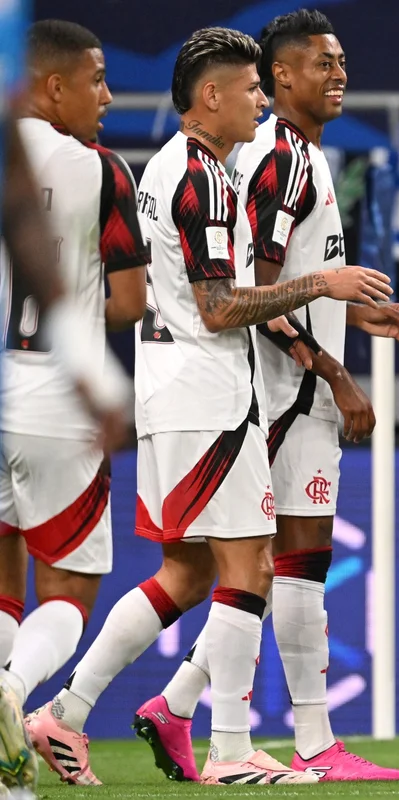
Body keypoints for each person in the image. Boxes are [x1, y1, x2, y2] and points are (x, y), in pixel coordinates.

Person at [26, 27, 392, 786]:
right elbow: (221, 307)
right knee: (251, 565)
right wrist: (323, 287)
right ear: (211, 96)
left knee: (188, 573)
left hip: (175, 389)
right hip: (209, 395)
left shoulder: (176, 167)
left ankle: (66, 713)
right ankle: (231, 750)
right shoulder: (203, 177)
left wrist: (338, 304)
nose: (261, 102)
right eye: (252, 89)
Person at [135, 9, 399, 783]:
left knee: (267, 569)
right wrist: (333, 369)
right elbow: (253, 293)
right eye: (322, 63)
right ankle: (309, 742)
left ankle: (178, 705)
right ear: (281, 77)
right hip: (284, 391)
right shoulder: (283, 160)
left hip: (277, 385)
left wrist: (356, 315)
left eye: (342, 61)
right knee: (291, 566)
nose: (340, 74)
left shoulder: (296, 156)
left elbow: (285, 282)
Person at [0, 17, 138, 795]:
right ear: (54, 88)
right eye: (97, 80)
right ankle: (13, 692)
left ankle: (4, 778)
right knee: (69, 592)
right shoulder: (100, 170)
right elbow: (131, 301)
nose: (107, 97)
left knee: (2, 581)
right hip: (54, 394)